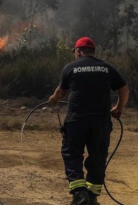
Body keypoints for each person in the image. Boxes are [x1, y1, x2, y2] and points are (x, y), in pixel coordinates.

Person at [48, 37, 129, 205]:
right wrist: (119, 107)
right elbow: (124, 89)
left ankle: (79, 194)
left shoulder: (70, 68)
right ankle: (91, 197)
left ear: (78, 52)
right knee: (98, 157)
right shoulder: (107, 68)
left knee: (72, 154)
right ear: (93, 52)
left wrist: (53, 99)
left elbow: (61, 93)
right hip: (100, 122)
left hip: (76, 121)